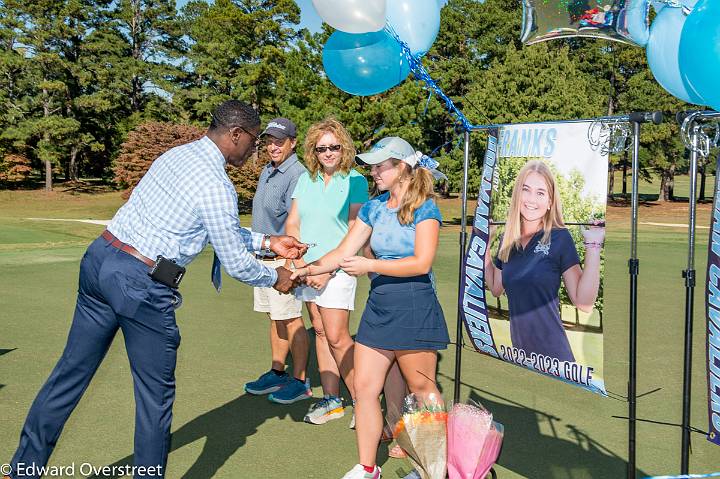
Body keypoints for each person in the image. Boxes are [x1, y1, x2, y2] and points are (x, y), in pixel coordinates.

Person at [3, 100, 306, 479]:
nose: (255, 149)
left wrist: (268, 243)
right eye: (253, 141)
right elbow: (234, 261)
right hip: (140, 284)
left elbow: (208, 227)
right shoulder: (216, 183)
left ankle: (21, 469)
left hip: (101, 260)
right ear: (236, 135)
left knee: (70, 373)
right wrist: (276, 278)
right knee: (154, 398)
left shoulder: (177, 155)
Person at [292, 137, 450, 479]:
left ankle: (432, 470)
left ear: (402, 167)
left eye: (381, 166)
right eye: (373, 165)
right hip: (379, 308)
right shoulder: (374, 207)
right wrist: (305, 270)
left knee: (423, 389)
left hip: (414, 304)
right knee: (364, 389)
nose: (374, 171)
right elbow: (342, 252)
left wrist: (371, 267)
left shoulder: (426, 208)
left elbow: (421, 263)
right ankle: (367, 467)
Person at [285, 118, 368, 424]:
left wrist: (326, 270)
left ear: (343, 147)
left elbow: (353, 232)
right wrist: (298, 263)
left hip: (338, 269)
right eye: (322, 149)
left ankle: (364, 402)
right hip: (306, 268)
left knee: (337, 336)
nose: (329, 153)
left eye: (334, 147)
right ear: (314, 151)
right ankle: (332, 400)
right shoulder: (306, 179)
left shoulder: (356, 180)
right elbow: (293, 221)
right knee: (319, 330)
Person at [484, 160, 604, 363]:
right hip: (520, 356)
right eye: (526, 190)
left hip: (554, 357)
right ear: (517, 195)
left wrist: (593, 246)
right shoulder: (508, 238)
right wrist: (485, 242)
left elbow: (584, 303)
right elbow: (496, 288)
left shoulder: (559, 237)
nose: (531, 199)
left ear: (550, 201)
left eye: (540, 193)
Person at [243, 118, 312, 405]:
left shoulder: (297, 174)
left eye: (279, 141)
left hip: (283, 260)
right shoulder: (268, 171)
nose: (273, 146)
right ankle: (277, 371)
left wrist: (295, 263)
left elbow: (299, 221)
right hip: (262, 257)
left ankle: (300, 380)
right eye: (269, 141)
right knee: (275, 317)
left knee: (292, 319)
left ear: (293, 143)